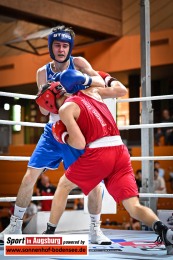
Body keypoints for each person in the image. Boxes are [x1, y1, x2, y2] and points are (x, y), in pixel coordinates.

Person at [0, 25, 111, 245]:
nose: (61, 49)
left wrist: (82, 82)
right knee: (29, 176)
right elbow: (42, 110)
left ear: (70, 47)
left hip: (77, 131)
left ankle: (95, 230)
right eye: (57, 45)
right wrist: (48, 94)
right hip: (52, 132)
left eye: (65, 45)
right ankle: (14, 226)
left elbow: (101, 82)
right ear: (51, 47)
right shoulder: (42, 72)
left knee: (95, 183)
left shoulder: (79, 63)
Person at [44, 69, 173, 254]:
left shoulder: (67, 108)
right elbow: (121, 89)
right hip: (121, 151)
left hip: (99, 153)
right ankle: (165, 232)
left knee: (64, 186)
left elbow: (79, 143)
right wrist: (105, 78)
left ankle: (49, 234)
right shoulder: (94, 91)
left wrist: (62, 136)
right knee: (133, 207)